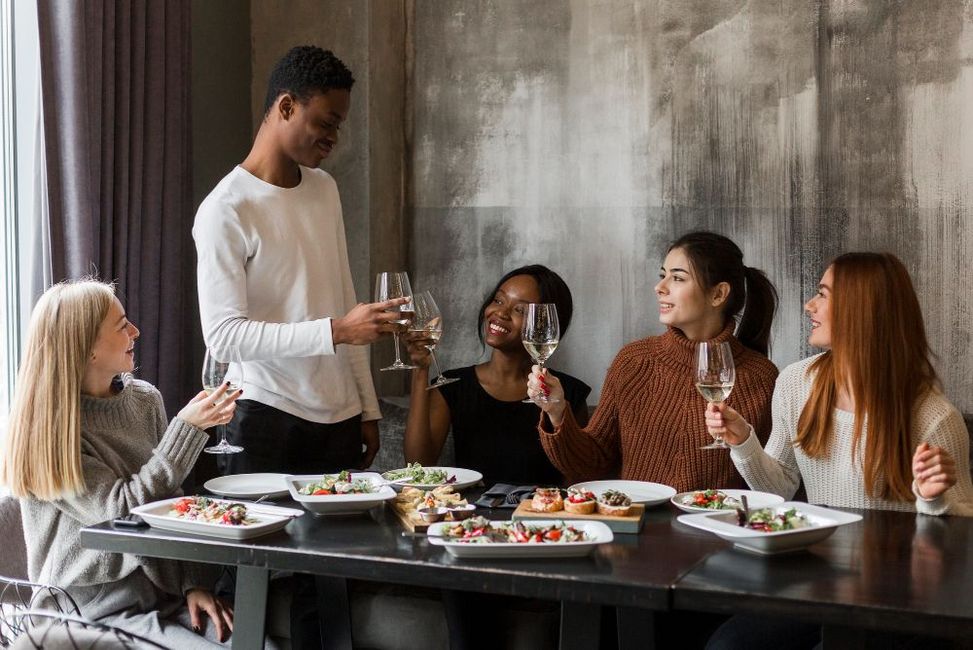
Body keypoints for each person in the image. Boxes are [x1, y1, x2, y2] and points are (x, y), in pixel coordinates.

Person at [192, 45, 406, 649]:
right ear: (285, 107)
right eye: (326, 122)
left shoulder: (324, 189)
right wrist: (336, 330)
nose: (334, 137)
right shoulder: (224, 210)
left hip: (337, 424)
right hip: (263, 423)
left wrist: (364, 407)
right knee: (246, 595)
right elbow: (225, 336)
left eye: (339, 124)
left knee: (327, 594)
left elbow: (342, 295)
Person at [703, 254, 973, 650]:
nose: (810, 305)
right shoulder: (797, 383)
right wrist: (744, 442)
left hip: (898, 598)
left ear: (862, 311)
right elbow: (780, 484)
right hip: (818, 579)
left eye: (823, 295)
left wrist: (931, 501)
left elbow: (962, 541)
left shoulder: (933, 416)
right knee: (727, 646)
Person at [0, 279, 248, 648]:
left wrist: (194, 583)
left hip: (163, 597)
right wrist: (186, 430)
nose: (136, 331)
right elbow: (119, 512)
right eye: (122, 326)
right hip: (87, 613)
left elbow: (174, 502)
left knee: (252, 640)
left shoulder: (145, 400)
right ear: (87, 349)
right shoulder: (51, 432)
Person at [528, 231, 780, 492]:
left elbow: (769, 485)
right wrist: (556, 412)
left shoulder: (762, 377)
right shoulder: (634, 361)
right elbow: (592, 463)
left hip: (718, 528)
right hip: (639, 525)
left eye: (678, 278)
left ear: (718, 294)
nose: (660, 287)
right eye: (663, 275)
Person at [404, 264, 591, 486]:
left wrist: (558, 415)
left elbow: (578, 479)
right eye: (499, 300)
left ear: (545, 325)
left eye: (520, 310)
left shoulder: (567, 393)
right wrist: (420, 369)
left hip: (540, 516)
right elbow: (418, 464)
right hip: (468, 517)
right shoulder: (452, 386)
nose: (500, 313)